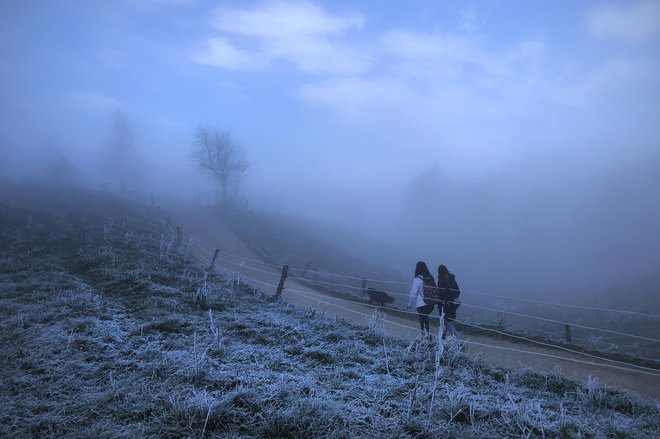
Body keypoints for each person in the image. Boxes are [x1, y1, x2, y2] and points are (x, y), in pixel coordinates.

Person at [407, 261, 435, 339]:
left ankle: (426, 338)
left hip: (421, 304)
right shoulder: (430, 277)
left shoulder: (417, 279)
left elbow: (413, 292)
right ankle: (427, 337)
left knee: (423, 322)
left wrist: (409, 304)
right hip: (431, 304)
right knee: (425, 320)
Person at [437, 264, 460, 338]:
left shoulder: (440, 280)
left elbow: (441, 294)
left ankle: (459, 342)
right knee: (447, 323)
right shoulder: (452, 278)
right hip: (453, 304)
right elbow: (457, 292)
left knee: (448, 324)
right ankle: (442, 338)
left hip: (444, 305)